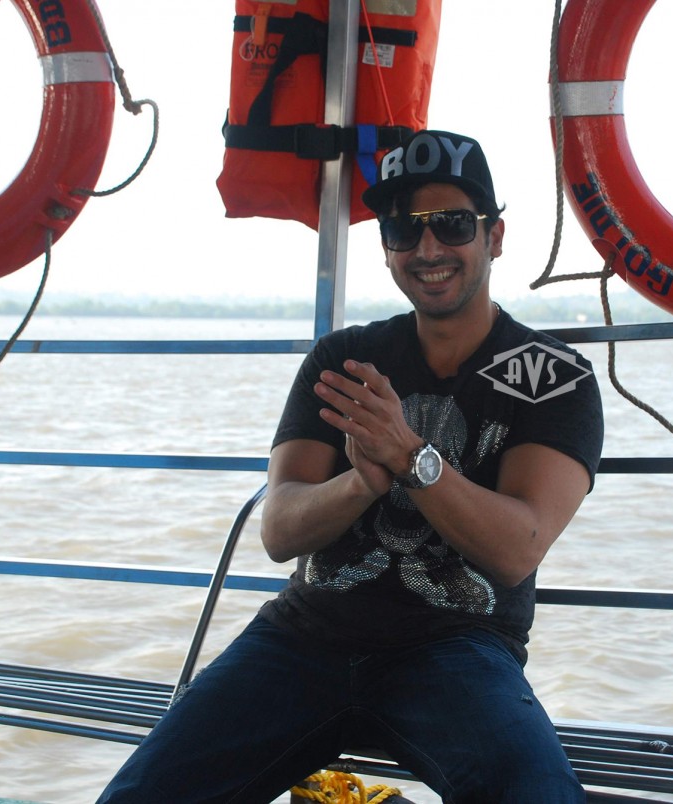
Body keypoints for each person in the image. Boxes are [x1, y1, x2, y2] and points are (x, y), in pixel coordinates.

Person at [97, 130, 604, 803]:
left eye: (452, 224)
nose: (427, 248)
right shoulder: (344, 360)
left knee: (537, 795)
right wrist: (362, 481)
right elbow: (280, 531)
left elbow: (516, 550)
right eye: (402, 229)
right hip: (304, 637)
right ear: (387, 247)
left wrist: (409, 458)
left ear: (495, 237)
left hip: (457, 647)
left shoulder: (550, 377)